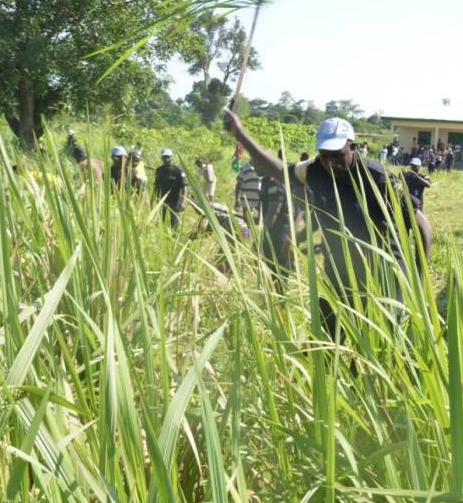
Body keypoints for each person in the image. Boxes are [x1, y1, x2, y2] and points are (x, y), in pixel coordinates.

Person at [224, 110, 433, 338]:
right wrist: (240, 133)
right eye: (325, 155)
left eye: (338, 154)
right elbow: (280, 169)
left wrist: (418, 282)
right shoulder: (315, 171)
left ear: (353, 147)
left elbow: (423, 227)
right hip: (340, 272)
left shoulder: (378, 179)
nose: (331, 162)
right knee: (322, 342)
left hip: (383, 276)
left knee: (380, 344)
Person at [259, 171, 293, 277]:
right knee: (269, 271)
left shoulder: (275, 182)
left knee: (276, 273)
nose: (252, 164)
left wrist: (261, 237)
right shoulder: (267, 180)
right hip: (274, 233)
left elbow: (274, 211)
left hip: (276, 235)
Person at [153, 149, 187, 228]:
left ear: (172, 157)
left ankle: (175, 237)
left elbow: (184, 186)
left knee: (174, 219)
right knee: (160, 219)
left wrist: (183, 201)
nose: (166, 159)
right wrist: (153, 199)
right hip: (162, 199)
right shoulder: (159, 170)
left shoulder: (178, 170)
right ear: (161, 158)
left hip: (175, 199)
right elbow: (156, 185)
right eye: (164, 157)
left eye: (168, 157)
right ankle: (160, 235)